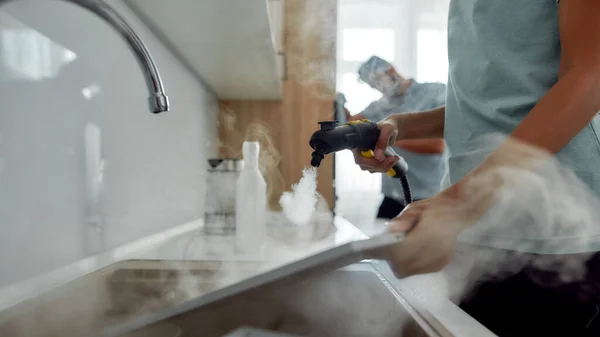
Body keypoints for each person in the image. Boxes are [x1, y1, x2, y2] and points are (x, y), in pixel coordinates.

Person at [353, 1, 600, 336]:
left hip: (552, 230)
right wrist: (401, 125)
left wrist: (458, 205)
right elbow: (493, 100)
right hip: (474, 225)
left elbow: (590, 74)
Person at [336, 56, 447, 219]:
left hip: (428, 195)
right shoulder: (378, 107)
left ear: (390, 70)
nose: (379, 88)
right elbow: (350, 125)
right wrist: (339, 106)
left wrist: (388, 136)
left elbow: (438, 145)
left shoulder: (435, 92)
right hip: (393, 196)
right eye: (373, 85)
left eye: (378, 81)